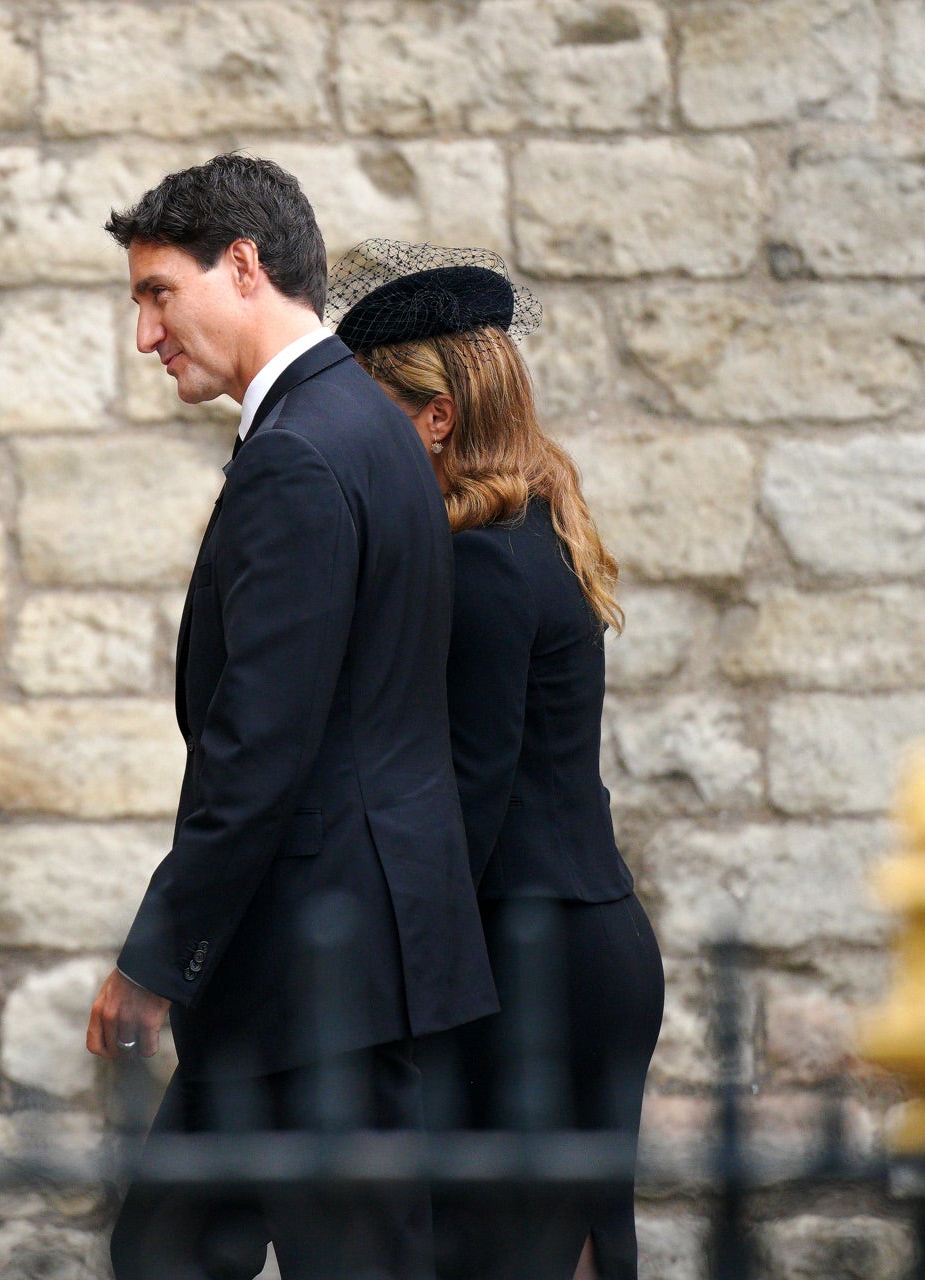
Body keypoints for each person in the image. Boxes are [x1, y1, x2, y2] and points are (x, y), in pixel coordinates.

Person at [84, 166, 496, 1278]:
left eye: (160, 293)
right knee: (164, 1252)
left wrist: (156, 961)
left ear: (246, 266)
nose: (145, 334)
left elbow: (259, 750)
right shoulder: (366, 425)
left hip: (317, 978)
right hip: (324, 967)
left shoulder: (300, 454)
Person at [329, 240, 664, 1280]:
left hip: (535, 955)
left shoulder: (476, 560)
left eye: (371, 414)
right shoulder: (533, 530)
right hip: (579, 935)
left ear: (435, 418)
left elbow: (465, 796)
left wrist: (382, 977)